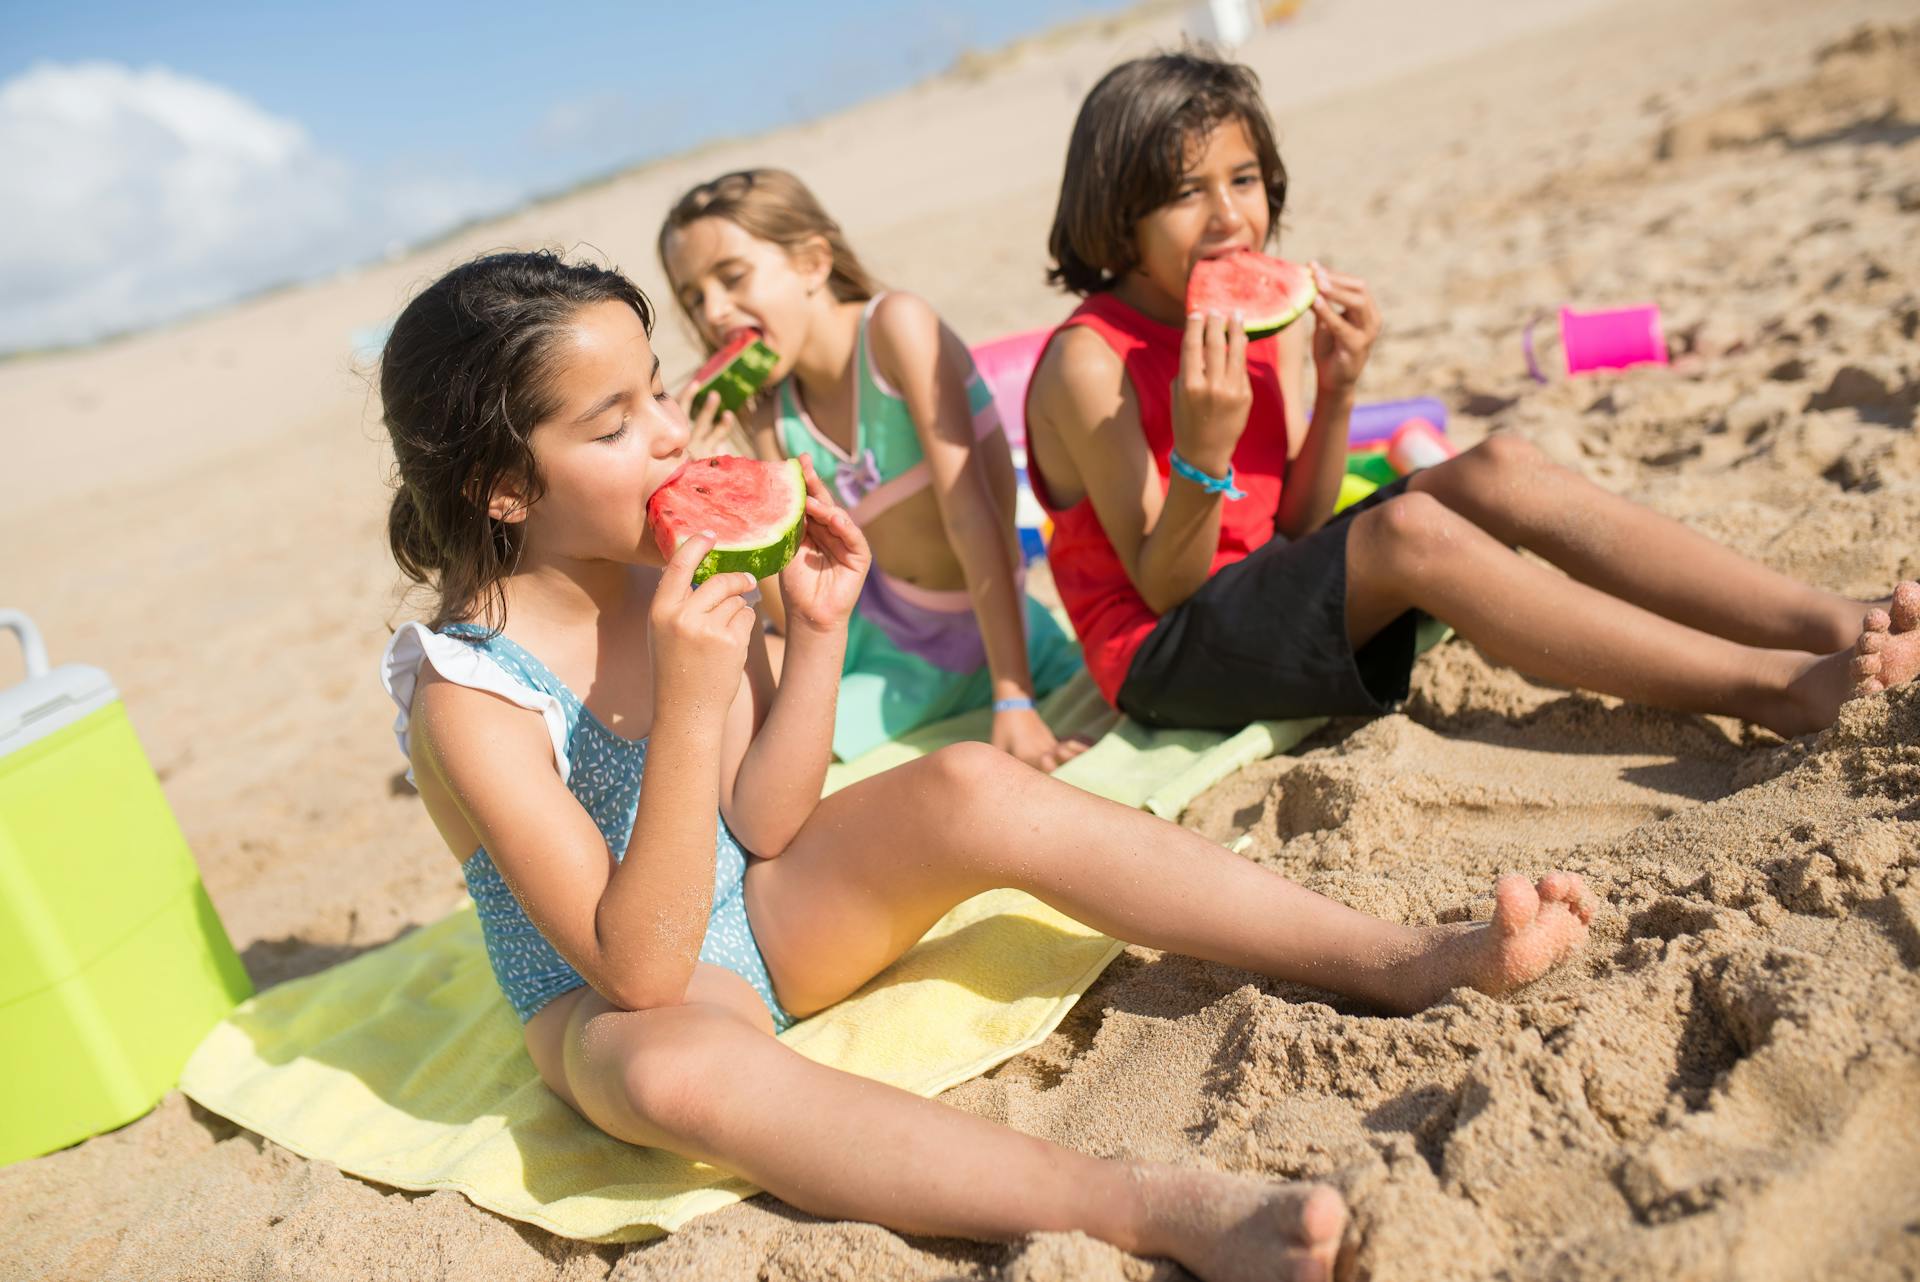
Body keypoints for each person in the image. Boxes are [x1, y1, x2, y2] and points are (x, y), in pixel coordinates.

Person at [377, 250, 1596, 1281]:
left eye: (657, 395)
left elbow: (765, 817)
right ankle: (1137, 1207)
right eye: (614, 425)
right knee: (678, 1071)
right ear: (501, 487)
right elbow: (640, 966)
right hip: (623, 997)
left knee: (966, 783)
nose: (670, 437)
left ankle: (1402, 960)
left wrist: (814, 636)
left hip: (761, 909)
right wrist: (692, 695)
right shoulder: (468, 693)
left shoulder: (673, 571)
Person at [1023, 50, 1919, 737]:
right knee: (1408, 531)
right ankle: (1778, 689)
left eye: (1244, 179)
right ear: (1117, 212)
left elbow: (1289, 526)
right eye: (1186, 192)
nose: (1228, 216)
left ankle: (1836, 620)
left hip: (1254, 587)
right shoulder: (1089, 364)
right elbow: (1165, 584)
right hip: (1159, 654)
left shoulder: (1256, 317)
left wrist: (1338, 392)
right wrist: (1203, 453)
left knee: (1501, 465)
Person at [657, 168, 1084, 770]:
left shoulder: (895, 328)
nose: (715, 312)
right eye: (694, 297)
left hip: (963, 642)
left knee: (763, 748)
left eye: (732, 278)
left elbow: (975, 520)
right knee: (706, 690)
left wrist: (1014, 701)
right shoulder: (776, 415)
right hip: (871, 637)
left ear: (812, 263)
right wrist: (714, 482)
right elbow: (791, 610)